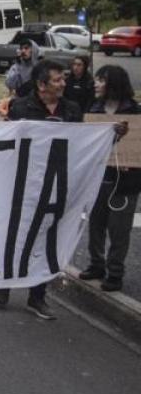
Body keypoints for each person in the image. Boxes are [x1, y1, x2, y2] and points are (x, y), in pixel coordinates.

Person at [0, 60, 84, 320]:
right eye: (57, 80)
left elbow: (83, 142)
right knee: (17, 236)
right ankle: (4, 280)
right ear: (42, 84)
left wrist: (112, 135)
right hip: (23, 185)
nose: (63, 84)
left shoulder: (72, 109)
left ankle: (37, 297)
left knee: (47, 241)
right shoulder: (21, 107)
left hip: (57, 185)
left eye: (63, 79)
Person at [78, 64, 137, 292]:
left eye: (101, 80)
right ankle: (96, 264)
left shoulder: (134, 112)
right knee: (96, 224)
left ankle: (115, 272)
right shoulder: (94, 109)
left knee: (119, 229)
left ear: (113, 84)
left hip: (125, 182)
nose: (96, 83)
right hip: (99, 177)